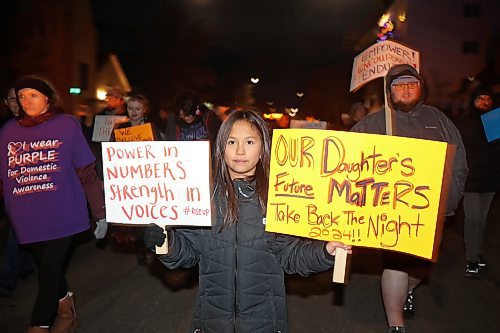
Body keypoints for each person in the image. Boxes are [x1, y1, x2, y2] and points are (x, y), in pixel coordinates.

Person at [145, 109, 351, 333]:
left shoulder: (276, 197)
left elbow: (291, 256)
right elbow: (190, 252)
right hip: (212, 321)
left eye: (250, 142)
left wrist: (325, 252)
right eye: (232, 141)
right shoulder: (204, 195)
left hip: (264, 323)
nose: (240, 150)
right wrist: (167, 242)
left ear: (263, 149)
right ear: (221, 147)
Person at [351, 64, 468, 333]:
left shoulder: (438, 119)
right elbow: (348, 162)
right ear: (389, 92)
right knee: (397, 264)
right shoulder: (373, 124)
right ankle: (396, 324)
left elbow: (458, 160)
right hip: (392, 214)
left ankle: (408, 292)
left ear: (420, 88)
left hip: (431, 212)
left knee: (422, 268)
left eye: (411, 84)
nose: (405, 89)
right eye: (398, 85)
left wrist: (452, 197)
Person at [0, 76, 108, 333]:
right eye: (22, 95)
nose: (26, 101)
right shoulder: (7, 132)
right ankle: (67, 311)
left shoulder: (67, 125)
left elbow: (86, 172)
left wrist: (100, 212)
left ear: (48, 98)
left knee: (47, 274)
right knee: (49, 270)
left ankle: (39, 325)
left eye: (33, 95)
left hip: (64, 214)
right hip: (26, 218)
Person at [456, 85, 499, 278]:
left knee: (481, 220)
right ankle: (471, 259)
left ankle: (476, 251)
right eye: (480, 99)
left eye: (487, 99)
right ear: (473, 101)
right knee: (472, 219)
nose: (484, 103)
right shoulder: (466, 123)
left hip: (490, 180)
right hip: (471, 181)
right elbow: (459, 151)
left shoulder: (495, 121)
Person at [0, 88, 35, 298]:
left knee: (18, 232)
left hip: (30, 189)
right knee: (20, 231)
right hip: (10, 190)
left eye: (19, 98)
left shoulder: (35, 125)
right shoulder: (4, 127)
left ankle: (6, 279)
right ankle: (27, 265)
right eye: (12, 98)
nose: (16, 102)